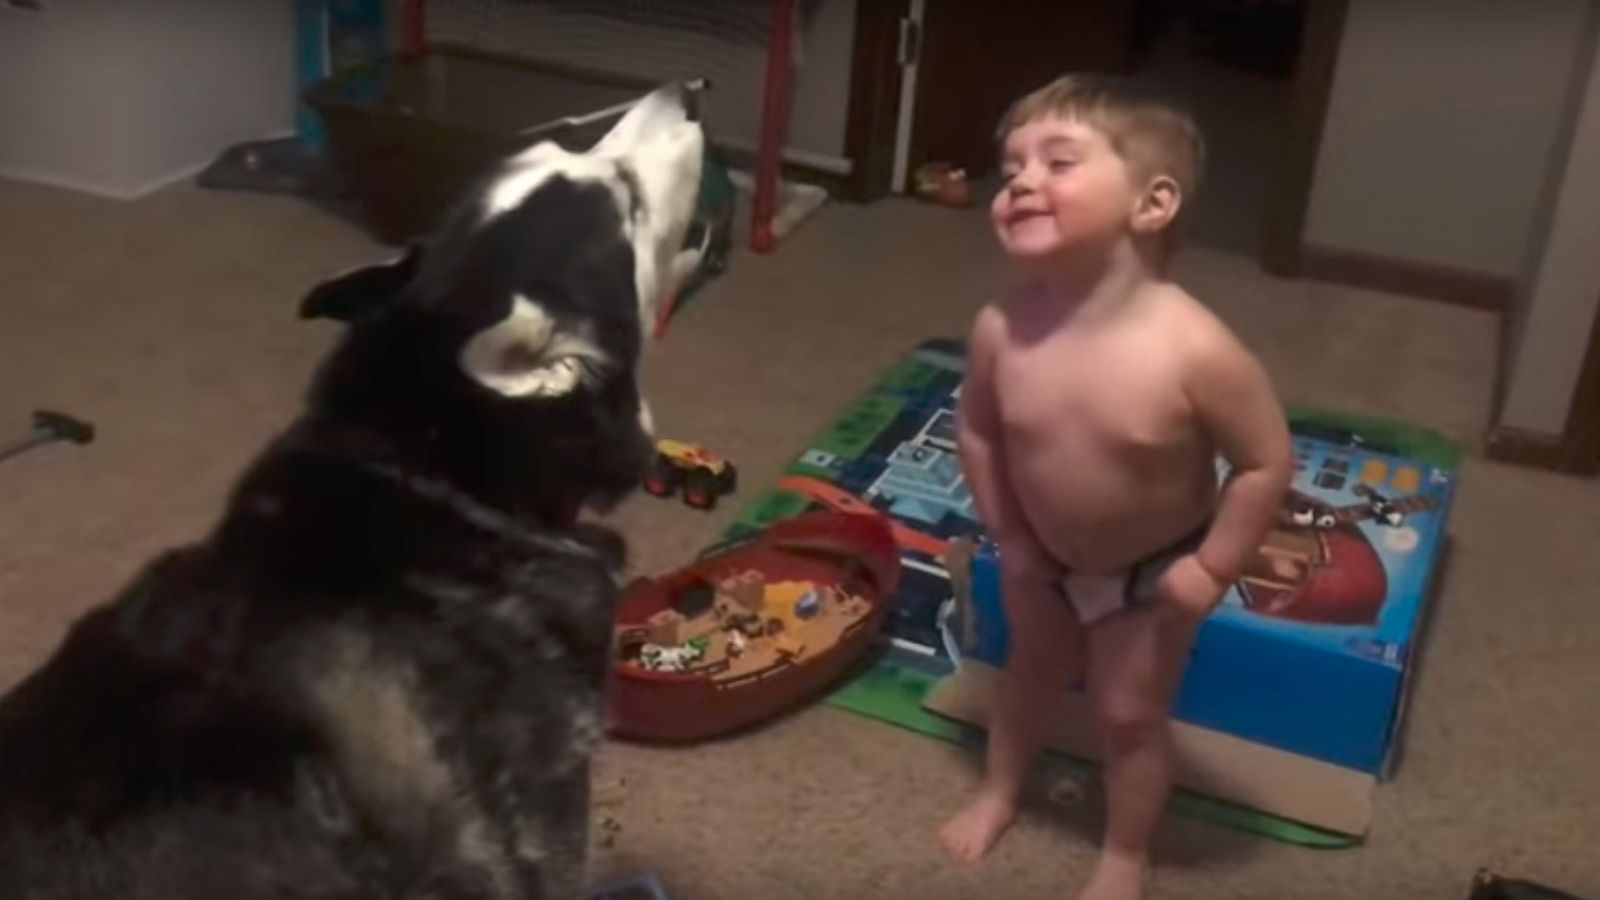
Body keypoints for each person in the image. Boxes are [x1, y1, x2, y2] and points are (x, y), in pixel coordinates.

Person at [937, 73, 1293, 900]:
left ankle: (1125, 854)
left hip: (1147, 573)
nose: (1020, 180)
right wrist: (1011, 536)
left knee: (1130, 716)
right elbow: (981, 431)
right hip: (1041, 554)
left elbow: (1265, 463)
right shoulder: (1000, 328)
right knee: (1026, 674)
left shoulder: (1197, 350)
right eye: (1012, 164)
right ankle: (998, 793)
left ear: (1152, 205)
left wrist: (1212, 570)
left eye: (1057, 161)